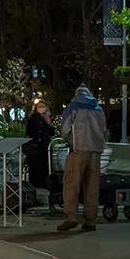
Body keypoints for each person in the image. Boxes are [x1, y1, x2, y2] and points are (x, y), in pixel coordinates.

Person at [57, 84, 107, 232]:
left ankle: (71, 217)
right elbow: (104, 129)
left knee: (71, 183)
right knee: (92, 186)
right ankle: (91, 220)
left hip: (78, 149)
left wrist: (67, 139)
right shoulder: (98, 109)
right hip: (95, 150)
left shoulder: (73, 106)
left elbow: (65, 128)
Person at [25, 100, 54, 189]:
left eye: (43, 107)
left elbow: (51, 132)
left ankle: (44, 184)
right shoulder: (33, 118)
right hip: (35, 147)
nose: (41, 109)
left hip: (45, 147)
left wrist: (48, 122)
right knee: (35, 168)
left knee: (44, 167)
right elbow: (29, 131)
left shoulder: (47, 118)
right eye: (39, 107)